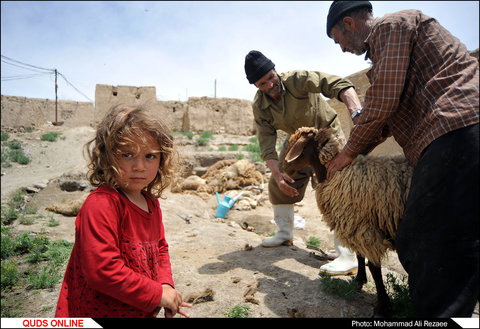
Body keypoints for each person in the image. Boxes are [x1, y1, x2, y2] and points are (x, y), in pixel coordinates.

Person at [325, 1, 479, 317]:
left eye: (336, 39)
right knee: (458, 239)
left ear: (350, 24)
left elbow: (381, 104)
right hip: (455, 133)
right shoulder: (386, 49)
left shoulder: (390, 28)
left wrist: (347, 154)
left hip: (456, 129)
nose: (340, 48)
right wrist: (355, 155)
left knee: (421, 239)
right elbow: (383, 121)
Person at [55, 105, 192, 318]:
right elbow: (102, 271)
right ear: (107, 157)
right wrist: (156, 294)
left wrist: (165, 285)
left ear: (162, 159)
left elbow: (160, 249)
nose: (139, 166)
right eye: (127, 155)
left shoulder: (151, 204)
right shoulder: (102, 204)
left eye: (150, 156)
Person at [244, 50, 364, 276]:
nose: (271, 84)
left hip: (326, 138)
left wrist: (356, 112)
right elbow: (266, 141)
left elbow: (336, 84)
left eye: (271, 77)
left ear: (275, 70)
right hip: (297, 141)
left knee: (335, 193)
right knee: (278, 182)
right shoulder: (260, 105)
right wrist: (278, 174)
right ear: (256, 86)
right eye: (263, 83)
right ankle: (284, 233)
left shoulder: (297, 80)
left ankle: (347, 255)